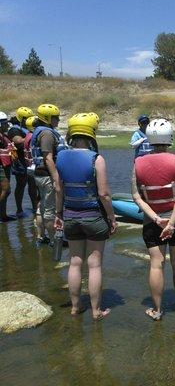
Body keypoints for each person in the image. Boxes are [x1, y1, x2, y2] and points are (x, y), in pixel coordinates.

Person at [54, 112, 117, 320]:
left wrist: (58, 214)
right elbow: (104, 194)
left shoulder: (60, 156)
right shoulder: (96, 159)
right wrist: (111, 218)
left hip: (70, 217)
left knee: (74, 262)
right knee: (94, 265)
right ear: (92, 133)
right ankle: (96, 311)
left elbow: (58, 189)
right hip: (93, 217)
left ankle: (75, 307)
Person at [131, 118, 175, 320]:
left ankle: (157, 310)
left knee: (156, 264)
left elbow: (136, 196)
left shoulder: (138, 163)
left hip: (152, 222)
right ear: (169, 138)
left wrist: (157, 219)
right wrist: (171, 223)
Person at [30, 104, 68, 244]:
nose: (58, 120)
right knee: (50, 209)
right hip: (47, 175)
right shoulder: (47, 134)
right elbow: (48, 157)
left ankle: (41, 236)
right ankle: (54, 240)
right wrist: (56, 178)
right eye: (55, 117)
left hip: (40, 175)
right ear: (47, 118)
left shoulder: (40, 131)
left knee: (43, 206)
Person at [7, 107, 39, 217]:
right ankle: (19, 209)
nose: (28, 120)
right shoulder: (14, 130)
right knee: (21, 185)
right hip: (20, 162)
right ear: (21, 119)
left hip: (30, 161)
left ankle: (35, 207)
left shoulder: (28, 128)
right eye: (26, 118)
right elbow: (18, 141)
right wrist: (31, 136)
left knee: (33, 185)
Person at [0, 112, 15, 221]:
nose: (7, 125)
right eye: (5, 123)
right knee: (6, 190)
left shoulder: (3, 135)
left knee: (3, 191)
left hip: (6, 166)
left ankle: (3, 215)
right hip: (1, 166)